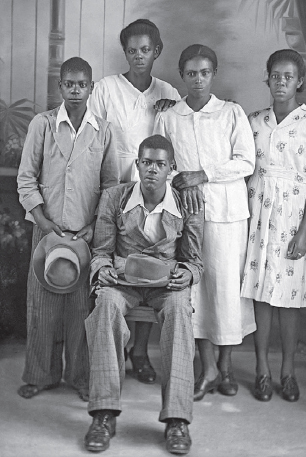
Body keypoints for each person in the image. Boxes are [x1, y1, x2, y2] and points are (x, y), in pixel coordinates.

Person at [83, 134, 204, 455]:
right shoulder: (115, 198)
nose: (152, 170)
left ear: (171, 169)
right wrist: (102, 269)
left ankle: (177, 419)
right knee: (105, 304)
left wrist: (188, 273)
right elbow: (101, 250)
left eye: (160, 164)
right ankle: (104, 414)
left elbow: (195, 260)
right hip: (123, 282)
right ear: (137, 165)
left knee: (180, 311)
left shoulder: (186, 203)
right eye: (146, 163)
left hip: (166, 286)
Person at [154, 44, 256, 401]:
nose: (198, 79)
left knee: (226, 289)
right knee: (195, 287)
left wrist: (202, 175)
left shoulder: (230, 113)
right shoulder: (169, 116)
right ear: (182, 76)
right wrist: (183, 180)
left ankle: (226, 369)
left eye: (205, 72)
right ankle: (208, 366)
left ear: (214, 75)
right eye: (191, 73)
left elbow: (246, 162)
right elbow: (159, 164)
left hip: (228, 214)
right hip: (188, 213)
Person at [17, 57, 119, 401]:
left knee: (81, 311)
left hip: (84, 236)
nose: (75, 90)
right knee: (42, 307)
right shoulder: (42, 125)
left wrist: (94, 227)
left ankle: (79, 376)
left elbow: (110, 186)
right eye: (69, 84)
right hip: (46, 232)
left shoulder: (103, 130)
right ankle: (40, 374)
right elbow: (26, 178)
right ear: (60, 87)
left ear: (91, 87)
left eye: (82, 84)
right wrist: (44, 223)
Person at [89, 18, 180, 384]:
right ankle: (109, 354)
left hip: (154, 191)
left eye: (145, 50)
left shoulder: (168, 91)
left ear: (156, 51)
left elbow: (176, 144)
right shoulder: (106, 89)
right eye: (132, 50)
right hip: (115, 189)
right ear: (124, 52)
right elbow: (94, 142)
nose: (138, 56)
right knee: (115, 269)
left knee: (150, 266)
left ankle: (140, 352)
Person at [241, 49, 306, 402]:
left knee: (289, 301)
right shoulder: (253, 121)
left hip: (294, 218)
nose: (281, 82)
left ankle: (288, 370)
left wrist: (304, 231)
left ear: (299, 81)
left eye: (288, 77)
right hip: (259, 215)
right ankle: (263, 369)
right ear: (268, 78)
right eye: (275, 76)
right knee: (262, 295)